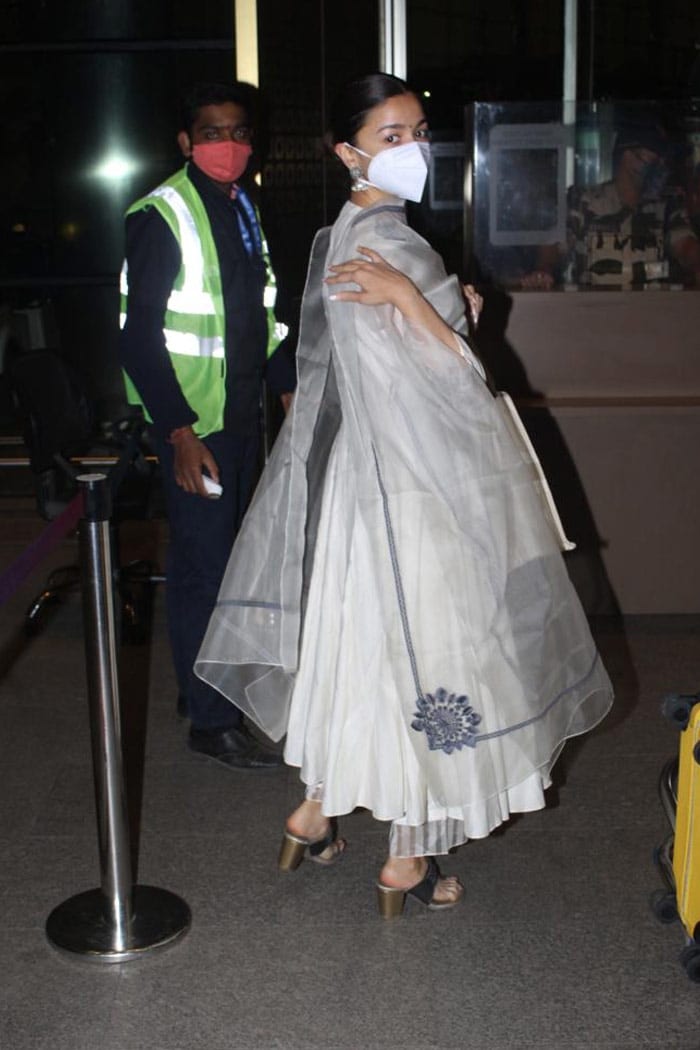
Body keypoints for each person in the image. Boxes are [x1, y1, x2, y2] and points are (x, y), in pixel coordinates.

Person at [196, 73, 613, 916]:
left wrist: (442, 308)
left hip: (366, 486)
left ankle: (315, 811)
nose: (413, 147)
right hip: (416, 492)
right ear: (348, 151)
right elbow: (448, 388)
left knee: (364, 652)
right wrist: (443, 321)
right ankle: (407, 861)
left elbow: (360, 366)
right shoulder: (391, 247)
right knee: (435, 657)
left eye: (417, 129)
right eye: (391, 136)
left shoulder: (347, 231)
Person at [119, 81, 295, 771]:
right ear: (187, 142)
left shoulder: (242, 205)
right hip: (198, 427)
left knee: (229, 562)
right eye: (213, 132)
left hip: (242, 413)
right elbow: (138, 338)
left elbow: (263, 316)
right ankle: (210, 721)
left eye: (240, 131)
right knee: (203, 570)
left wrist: (285, 392)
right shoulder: (163, 213)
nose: (230, 145)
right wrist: (179, 431)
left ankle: (202, 687)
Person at [523, 120, 700, 289]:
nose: (661, 165)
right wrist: (543, 271)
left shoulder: (666, 205)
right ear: (628, 156)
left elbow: (685, 245)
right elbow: (554, 244)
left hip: (651, 312)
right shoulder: (584, 201)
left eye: (663, 159)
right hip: (592, 311)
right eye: (654, 157)